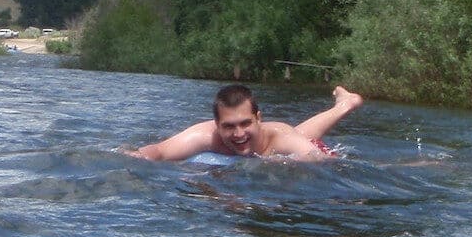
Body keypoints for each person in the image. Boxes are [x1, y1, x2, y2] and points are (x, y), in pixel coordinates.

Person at [131, 83, 363, 162]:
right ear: (217, 124)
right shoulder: (205, 135)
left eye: (245, 123)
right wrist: (135, 156)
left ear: (258, 119)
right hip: (279, 136)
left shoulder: (280, 140)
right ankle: (346, 103)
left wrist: (283, 166)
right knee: (298, 131)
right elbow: (160, 151)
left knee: (298, 135)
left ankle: (346, 105)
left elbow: (321, 161)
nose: (238, 133)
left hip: (279, 139)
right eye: (229, 126)